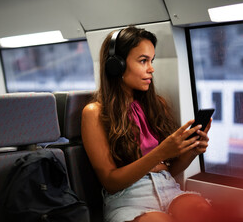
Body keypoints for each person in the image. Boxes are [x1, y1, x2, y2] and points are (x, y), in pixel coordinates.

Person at [81, 26, 214, 222]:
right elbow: (110, 182)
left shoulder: (155, 104)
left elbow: (168, 170)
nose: (151, 68)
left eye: (151, 61)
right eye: (143, 61)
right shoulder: (95, 113)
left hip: (169, 188)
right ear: (115, 65)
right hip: (128, 198)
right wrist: (160, 152)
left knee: (201, 211)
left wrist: (191, 150)